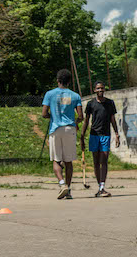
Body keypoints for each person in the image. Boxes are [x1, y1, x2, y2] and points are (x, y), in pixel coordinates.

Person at [42, 69, 83, 200]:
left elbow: (44, 113)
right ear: (69, 81)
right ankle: (69, 190)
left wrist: (53, 117)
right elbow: (81, 116)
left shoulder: (50, 94)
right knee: (68, 161)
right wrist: (75, 121)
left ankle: (62, 184)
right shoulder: (75, 96)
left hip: (56, 129)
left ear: (58, 80)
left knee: (56, 159)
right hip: (70, 129)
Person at [82, 82, 119, 197]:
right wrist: (82, 136)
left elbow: (112, 119)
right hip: (94, 135)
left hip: (105, 135)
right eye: (98, 88)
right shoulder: (90, 104)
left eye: (102, 88)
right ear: (94, 90)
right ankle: (99, 187)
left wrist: (117, 134)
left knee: (104, 160)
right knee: (96, 162)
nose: (100, 90)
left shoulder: (109, 103)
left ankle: (102, 186)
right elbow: (86, 120)